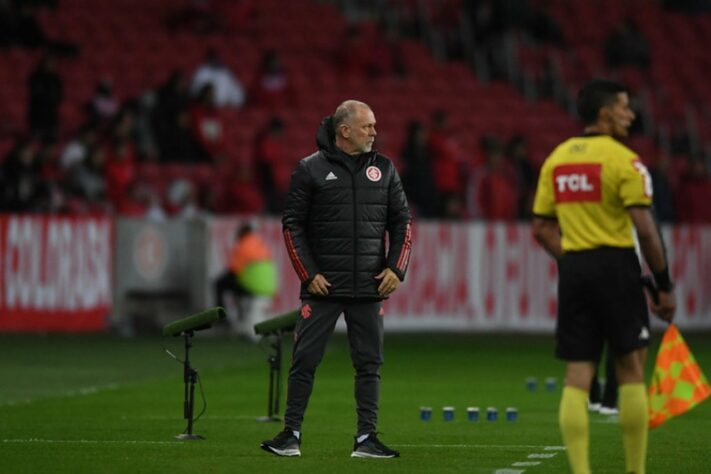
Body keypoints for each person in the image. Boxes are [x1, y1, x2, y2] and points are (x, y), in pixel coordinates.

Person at [531, 79, 676, 474]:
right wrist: (663, 285)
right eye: (625, 106)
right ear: (605, 113)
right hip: (617, 268)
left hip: (576, 270)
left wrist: (575, 260)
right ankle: (635, 470)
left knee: (577, 374)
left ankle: (581, 471)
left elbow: (542, 228)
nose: (631, 114)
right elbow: (646, 230)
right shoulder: (624, 161)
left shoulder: (557, 159)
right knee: (630, 369)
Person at [261, 100, 412, 458]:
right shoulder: (310, 170)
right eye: (368, 126)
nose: (375, 132)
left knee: (369, 364)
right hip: (323, 287)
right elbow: (291, 225)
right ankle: (290, 435)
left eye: (374, 126)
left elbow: (402, 222)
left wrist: (396, 268)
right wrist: (308, 274)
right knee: (305, 361)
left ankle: (366, 439)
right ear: (344, 131)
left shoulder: (385, 169)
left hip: (370, 286)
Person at [214, 223, 277, 337]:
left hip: (253, 286)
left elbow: (234, 270)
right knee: (235, 287)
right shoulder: (260, 244)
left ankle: (222, 318)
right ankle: (240, 317)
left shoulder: (244, 245)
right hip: (268, 287)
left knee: (219, 284)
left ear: (241, 234)